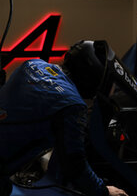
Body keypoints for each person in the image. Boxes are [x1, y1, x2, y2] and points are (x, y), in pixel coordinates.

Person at [0, 40, 128, 196]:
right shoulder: (72, 105)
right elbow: (74, 165)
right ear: (91, 77)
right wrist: (103, 190)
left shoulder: (32, 64)